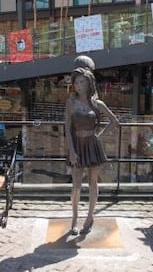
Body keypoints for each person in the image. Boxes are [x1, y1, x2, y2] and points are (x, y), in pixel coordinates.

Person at [65, 58, 119, 235]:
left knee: (93, 182)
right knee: (76, 185)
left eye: (83, 81)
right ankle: (74, 218)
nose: (79, 85)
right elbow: (67, 127)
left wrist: (99, 137)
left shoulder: (97, 103)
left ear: (89, 83)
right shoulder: (70, 102)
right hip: (77, 146)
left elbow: (114, 121)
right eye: (77, 82)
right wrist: (71, 151)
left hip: (92, 145)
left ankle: (90, 216)